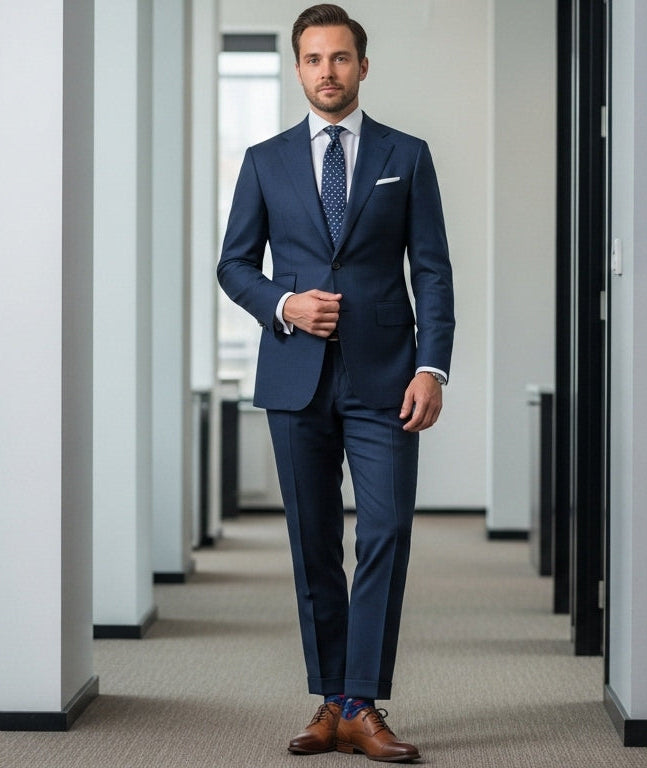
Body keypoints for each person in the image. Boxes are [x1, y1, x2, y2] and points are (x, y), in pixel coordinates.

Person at [217, 4, 455, 762]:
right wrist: (284, 303)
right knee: (313, 542)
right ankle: (331, 701)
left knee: (383, 531)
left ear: (362, 65)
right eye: (314, 59)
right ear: (298, 68)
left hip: (387, 379)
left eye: (341, 57)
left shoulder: (406, 155)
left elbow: (433, 271)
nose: (328, 70)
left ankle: (363, 702)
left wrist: (431, 365)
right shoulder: (264, 159)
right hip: (295, 379)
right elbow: (232, 265)